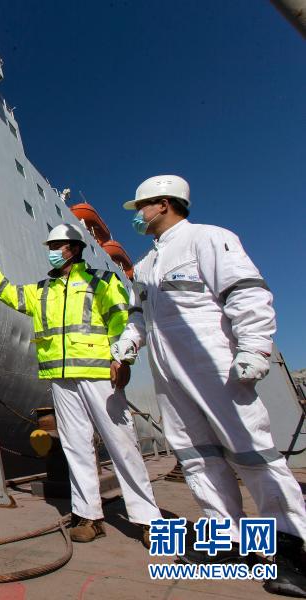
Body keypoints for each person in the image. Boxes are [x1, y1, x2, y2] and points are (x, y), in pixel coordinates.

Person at [112, 175, 306, 596]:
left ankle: (292, 551)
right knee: (196, 456)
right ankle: (227, 542)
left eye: (141, 207)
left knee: (252, 454)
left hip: (214, 365)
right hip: (169, 372)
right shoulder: (143, 266)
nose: (137, 215)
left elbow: (246, 293)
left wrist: (254, 347)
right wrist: (126, 348)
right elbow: (138, 318)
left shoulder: (208, 239)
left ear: (164, 204)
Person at [0, 224, 161, 544]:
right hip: (61, 377)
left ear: (72, 248)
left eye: (56, 245)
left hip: (99, 373)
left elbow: (120, 319)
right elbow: (15, 296)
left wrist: (123, 360)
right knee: (75, 446)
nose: (51, 251)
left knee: (122, 444)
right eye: (50, 246)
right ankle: (88, 516)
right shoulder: (44, 289)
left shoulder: (102, 281)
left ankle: (148, 520)